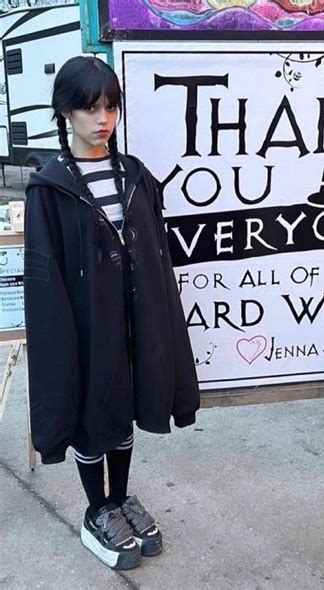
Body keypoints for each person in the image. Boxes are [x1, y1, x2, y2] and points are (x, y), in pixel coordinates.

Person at [23, 56, 200, 571]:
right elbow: (45, 271)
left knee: (124, 406)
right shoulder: (50, 186)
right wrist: (61, 335)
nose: (102, 119)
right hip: (84, 324)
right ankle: (96, 508)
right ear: (65, 112)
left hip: (134, 321)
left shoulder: (135, 176)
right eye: (89, 107)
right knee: (92, 411)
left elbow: (156, 254)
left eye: (111, 107)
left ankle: (119, 496)